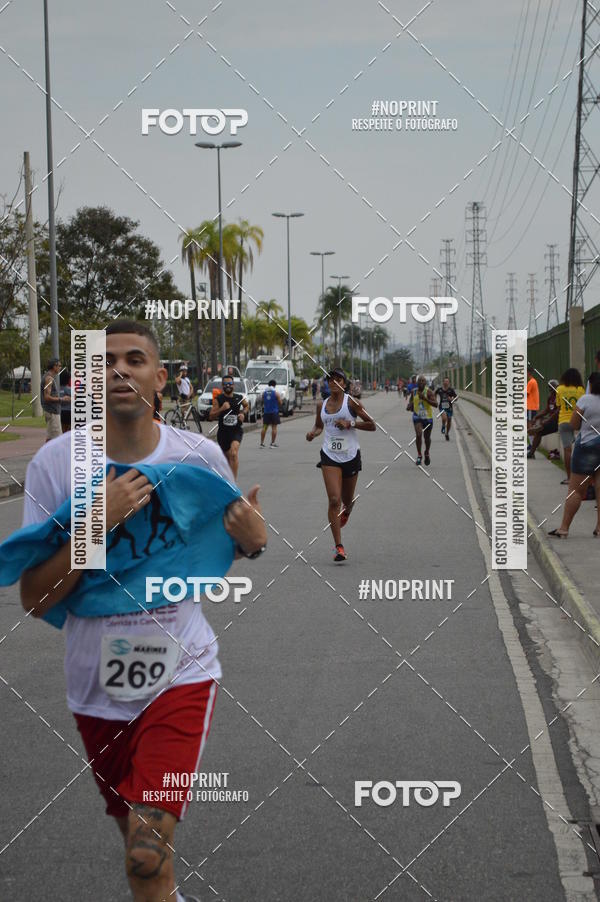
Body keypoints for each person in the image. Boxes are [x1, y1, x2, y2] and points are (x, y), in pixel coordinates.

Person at [17, 321, 267, 902]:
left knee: (146, 852)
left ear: (161, 377)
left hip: (181, 672)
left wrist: (255, 539)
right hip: (93, 686)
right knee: (141, 850)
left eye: (135, 359)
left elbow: (226, 543)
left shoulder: (199, 456)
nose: (119, 370)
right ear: (87, 378)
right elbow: (36, 599)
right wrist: (92, 525)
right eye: (105, 361)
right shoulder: (56, 466)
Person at [306, 367, 375, 562]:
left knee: (347, 500)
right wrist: (313, 433)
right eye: (330, 380)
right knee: (334, 500)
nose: (334, 382)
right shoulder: (322, 405)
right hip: (329, 455)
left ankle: (347, 509)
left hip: (351, 455)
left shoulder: (351, 403)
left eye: (338, 380)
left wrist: (351, 424)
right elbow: (320, 426)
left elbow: (372, 425)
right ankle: (339, 546)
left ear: (344, 384)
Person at [548, 373, 600, 538]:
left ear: (590, 384)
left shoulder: (585, 400)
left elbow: (574, 424)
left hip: (586, 446)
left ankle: (564, 528)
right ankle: (599, 528)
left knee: (576, 490)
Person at [209, 373, 248, 480]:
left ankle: (233, 484)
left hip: (236, 430)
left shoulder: (239, 398)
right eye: (225, 384)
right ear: (222, 386)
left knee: (233, 453)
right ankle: (227, 479)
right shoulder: (219, 399)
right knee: (227, 459)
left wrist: (243, 414)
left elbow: (246, 406)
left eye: (230, 383)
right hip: (223, 433)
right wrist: (222, 409)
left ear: (233, 385)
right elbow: (211, 416)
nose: (228, 386)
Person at [555, 368, 585, 484]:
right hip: (578, 421)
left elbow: (558, 407)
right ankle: (581, 477)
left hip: (564, 421)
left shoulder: (559, 389)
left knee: (567, 450)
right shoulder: (580, 389)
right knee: (581, 450)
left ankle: (569, 478)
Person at [407, 374, 437, 466]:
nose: (421, 382)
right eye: (419, 381)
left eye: (423, 381)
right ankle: (419, 455)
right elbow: (410, 404)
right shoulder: (414, 392)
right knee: (419, 434)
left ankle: (426, 452)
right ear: (416, 382)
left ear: (425, 383)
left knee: (427, 438)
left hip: (428, 418)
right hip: (417, 417)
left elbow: (436, 404)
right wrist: (409, 406)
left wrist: (425, 399)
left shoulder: (429, 392)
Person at [526, 380, 559, 459]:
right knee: (539, 426)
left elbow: (557, 412)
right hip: (551, 420)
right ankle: (535, 429)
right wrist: (536, 417)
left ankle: (531, 452)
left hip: (557, 421)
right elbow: (547, 410)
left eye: (552, 387)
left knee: (539, 432)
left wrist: (546, 421)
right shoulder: (550, 397)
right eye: (549, 388)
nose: (550, 390)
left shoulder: (559, 396)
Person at [41, 357, 62, 442]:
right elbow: (47, 397)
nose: (60, 367)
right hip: (52, 412)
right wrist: (61, 399)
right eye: (59, 365)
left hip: (51, 411)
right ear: (54, 366)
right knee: (57, 439)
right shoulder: (49, 378)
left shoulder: (48, 377)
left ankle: (45, 455)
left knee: (50, 439)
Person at [260, 379, 281, 448]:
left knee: (265, 427)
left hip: (266, 413)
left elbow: (262, 402)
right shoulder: (276, 393)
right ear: (274, 385)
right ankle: (272, 443)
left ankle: (262, 443)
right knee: (274, 428)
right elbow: (280, 403)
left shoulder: (264, 393)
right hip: (274, 412)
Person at [526, 368, 540, 443]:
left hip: (531, 407)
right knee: (529, 426)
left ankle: (532, 444)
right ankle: (531, 444)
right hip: (531, 407)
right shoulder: (533, 381)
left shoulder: (531, 382)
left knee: (530, 426)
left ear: (529, 373)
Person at [59, 369, 72, 434]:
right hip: (69, 412)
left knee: (62, 430)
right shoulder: (69, 390)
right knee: (69, 431)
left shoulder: (57, 390)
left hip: (60, 412)